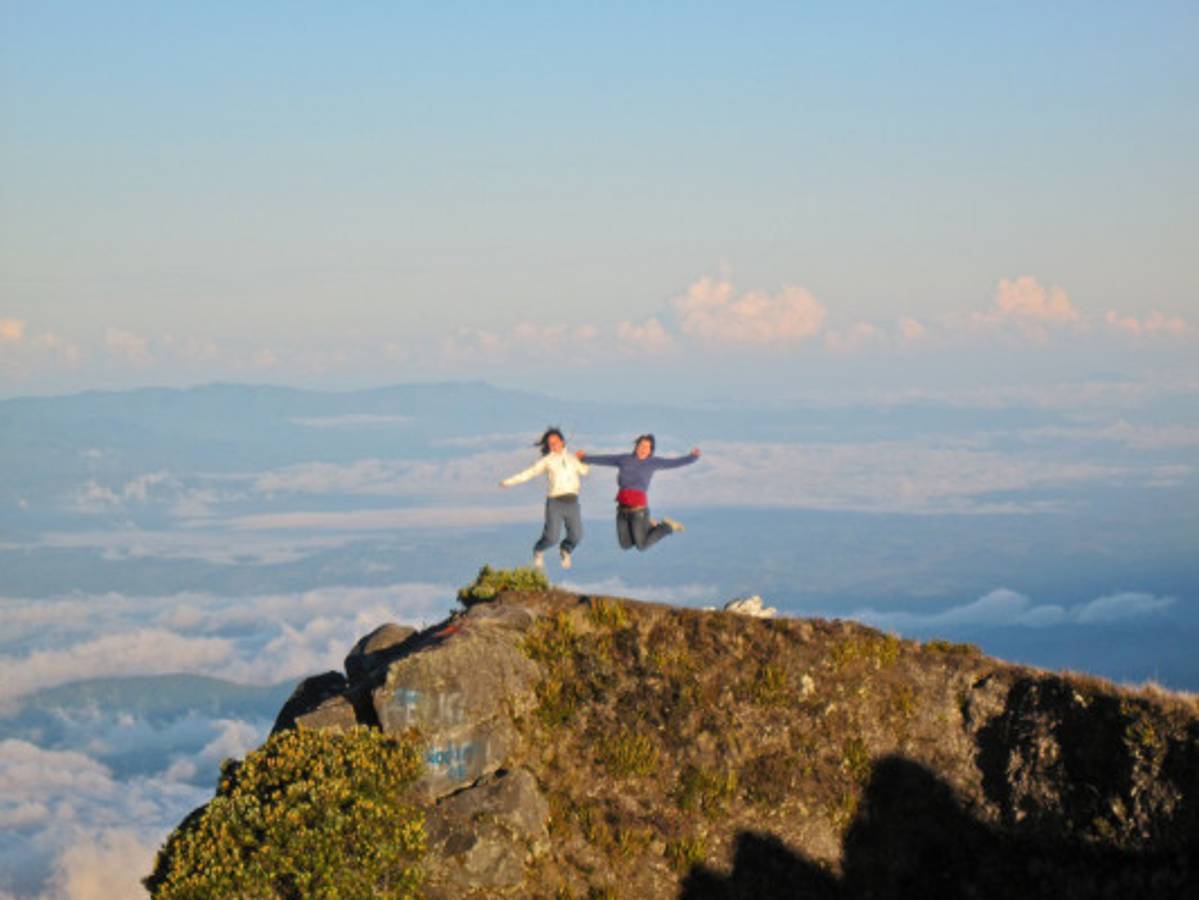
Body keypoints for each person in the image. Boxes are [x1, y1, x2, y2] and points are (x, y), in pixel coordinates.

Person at [576, 434, 700, 551]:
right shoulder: (624, 459)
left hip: (638, 510)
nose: (643, 449)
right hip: (622, 510)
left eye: (647, 447)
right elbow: (605, 459)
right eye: (641, 445)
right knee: (625, 545)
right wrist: (584, 458)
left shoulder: (653, 462)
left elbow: (674, 463)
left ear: (651, 450)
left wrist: (692, 457)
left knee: (642, 546)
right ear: (636, 446)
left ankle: (667, 527)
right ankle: (648, 526)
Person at [500, 427, 589, 570]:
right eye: (550, 443)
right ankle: (538, 550)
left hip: (572, 502)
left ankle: (565, 549)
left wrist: (583, 459)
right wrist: (509, 482)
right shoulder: (547, 461)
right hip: (555, 502)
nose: (553, 445)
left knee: (577, 535)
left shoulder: (572, 459)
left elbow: (584, 471)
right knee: (552, 537)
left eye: (556, 442)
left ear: (562, 442)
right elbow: (529, 473)